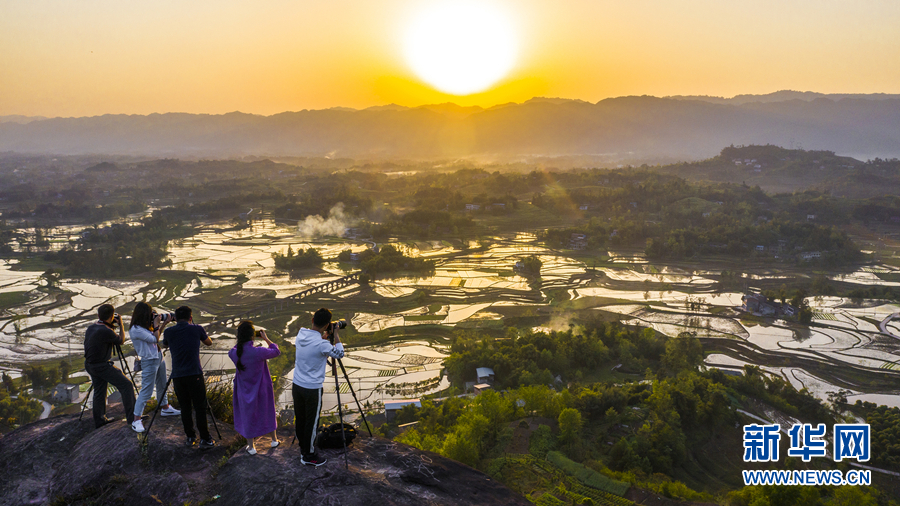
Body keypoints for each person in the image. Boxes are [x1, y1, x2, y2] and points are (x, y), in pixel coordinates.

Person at [292, 307, 344, 467]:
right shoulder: (323, 345)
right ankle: (309, 455)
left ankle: (303, 447)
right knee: (312, 422)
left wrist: (324, 335)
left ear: (313, 320)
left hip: (297, 385)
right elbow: (340, 353)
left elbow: (313, 344)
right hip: (312, 388)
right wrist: (335, 335)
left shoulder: (301, 334)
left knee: (300, 418)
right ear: (328, 324)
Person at [161, 305, 216, 448]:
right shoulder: (197, 329)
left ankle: (190, 437)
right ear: (190, 317)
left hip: (178, 375)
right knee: (200, 407)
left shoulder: (169, 331)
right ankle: (205, 439)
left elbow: (164, 344)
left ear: (175, 318)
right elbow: (209, 342)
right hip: (194, 374)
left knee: (185, 408)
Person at [228, 321, 281, 455]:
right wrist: (265, 338)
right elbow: (276, 351)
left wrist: (243, 340)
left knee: (247, 415)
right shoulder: (258, 352)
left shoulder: (234, 353)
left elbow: (234, 349)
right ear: (253, 336)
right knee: (268, 410)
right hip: (262, 389)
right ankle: (274, 440)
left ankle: (251, 447)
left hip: (243, 390)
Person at [83, 303, 137, 429]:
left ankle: (100, 420)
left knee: (100, 391)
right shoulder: (106, 330)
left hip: (90, 365)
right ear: (112, 316)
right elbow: (121, 340)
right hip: (101, 366)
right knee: (126, 385)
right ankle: (133, 418)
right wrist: (121, 325)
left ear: (98, 315)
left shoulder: (92, 327)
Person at [129, 302, 180, 432]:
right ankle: (136, 420)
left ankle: (165, 407)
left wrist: (163, 323)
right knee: (147, 390)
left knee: (162, 383)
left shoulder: (145, 327)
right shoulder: (136, 329)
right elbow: (155, 340)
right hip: (149, 360)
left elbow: (155, 336)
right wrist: (156, 323)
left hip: (158, 356)